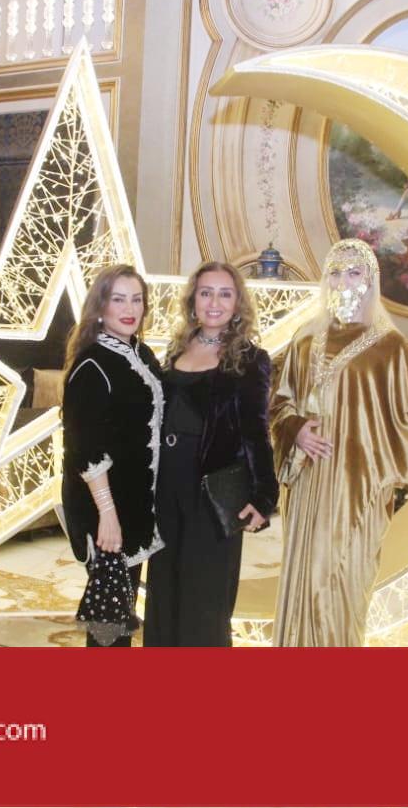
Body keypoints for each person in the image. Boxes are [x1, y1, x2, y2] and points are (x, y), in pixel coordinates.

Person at [269, 239, 408, 646]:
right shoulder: (304, 340)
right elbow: (280, 403)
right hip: (309, 481)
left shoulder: (389, 345)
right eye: (336, 272)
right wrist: (295, 428)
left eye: (354, 272)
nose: (344, 281)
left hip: (359, 487)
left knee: (346, 579)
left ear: (371, 280)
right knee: (306, 573)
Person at [144, 261, 278, 647]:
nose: (214, 302)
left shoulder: (251, 359)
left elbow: (257, 432)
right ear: (193, 301)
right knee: (165, 596)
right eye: (206, 293)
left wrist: (264, 497)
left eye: (224, 294)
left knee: (205, 602)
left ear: (237, 304)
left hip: (212, 494)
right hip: (165, 491)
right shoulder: (174, 350)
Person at [60, 264, 164, 647]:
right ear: (100, 306)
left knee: (120, 615)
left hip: (133, 509)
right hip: (105, 514)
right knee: (110, 627)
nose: (129, 309)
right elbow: (84, 448)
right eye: (118, 299)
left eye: (136, 300)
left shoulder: (140, 353)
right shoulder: (92, 364)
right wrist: (107, 514)